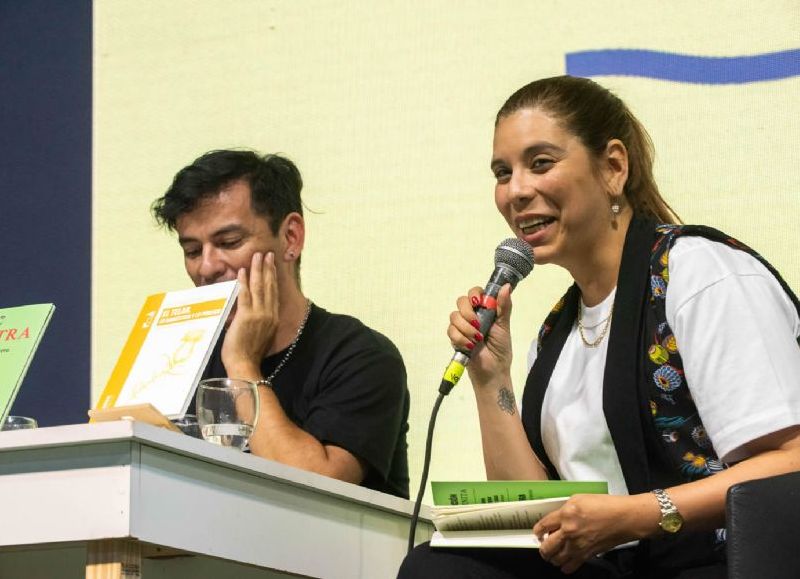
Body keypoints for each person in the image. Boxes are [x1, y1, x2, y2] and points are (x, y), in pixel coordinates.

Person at [399, 76, 800, 577]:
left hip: (717, 564)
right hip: (614, 569)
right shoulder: (556, 332)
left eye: (540, 163)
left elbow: (790, 462)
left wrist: (634, 516)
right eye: (503, 172)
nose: (517, 191)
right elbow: (536, 520)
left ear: (613, 167)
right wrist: (491, 378)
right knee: (443, 567)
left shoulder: (699, 272)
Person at [151, 149, 410, 498]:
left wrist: (241, 362)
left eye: (228, 242)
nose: (207, 267)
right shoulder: (183, 358)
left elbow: (314, 489)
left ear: (290, 237)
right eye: (193, 250)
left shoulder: (361, 355)